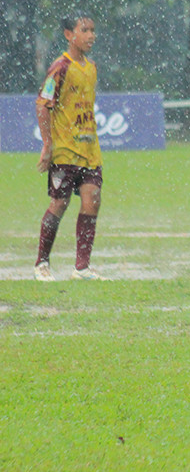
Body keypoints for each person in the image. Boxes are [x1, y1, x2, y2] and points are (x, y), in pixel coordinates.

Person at [33, 15, 104, 282]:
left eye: (93, 30)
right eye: (84, 30)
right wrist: (48, 144)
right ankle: (41, 263)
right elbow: (43, 104)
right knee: (60, 203)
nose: (90, 35)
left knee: (92, 202)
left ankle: (82, 268)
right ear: (68, 34)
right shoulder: (60, 67)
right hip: (65, 151)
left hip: (89, 151)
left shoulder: (92, 68)